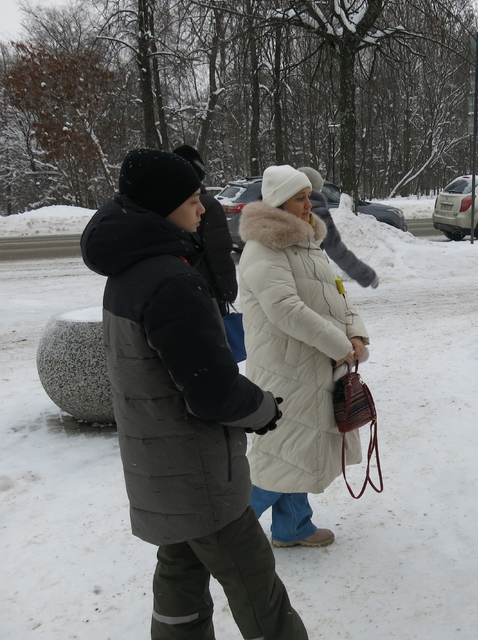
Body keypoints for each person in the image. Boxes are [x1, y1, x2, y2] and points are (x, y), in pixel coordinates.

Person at [81, 149, 308, 639]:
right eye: (191, 200)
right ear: (163, 207)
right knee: (256, 585)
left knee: (180, 576)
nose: (202, 208)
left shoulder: (129, 272)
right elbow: (212, 392)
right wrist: (262, 409)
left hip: (157, 465)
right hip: (198, 476)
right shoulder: (172, 281)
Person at [238, 165, 370, 548]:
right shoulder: (264, 248)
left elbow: (338, 293)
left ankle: (293, 527)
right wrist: (340, 346)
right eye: (300, 198)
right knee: (278, 456)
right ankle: (225, 534)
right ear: (279, 203)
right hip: (285, 369)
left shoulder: (306, 243)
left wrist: (355, 332)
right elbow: (286, 309)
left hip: (312, 365)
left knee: (297, 449)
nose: (309, 204)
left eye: (309, 196)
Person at [173, 144, 238, 315]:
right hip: (207, 289)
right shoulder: (208, 206)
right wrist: (228, 290)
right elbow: (218, 253)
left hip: (177, 289)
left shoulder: (163, 205)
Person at [298, 166, 379, 288]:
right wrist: (366, 275)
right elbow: (337, 251)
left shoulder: (281, 209)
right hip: (311, 274)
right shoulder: (320, 214)